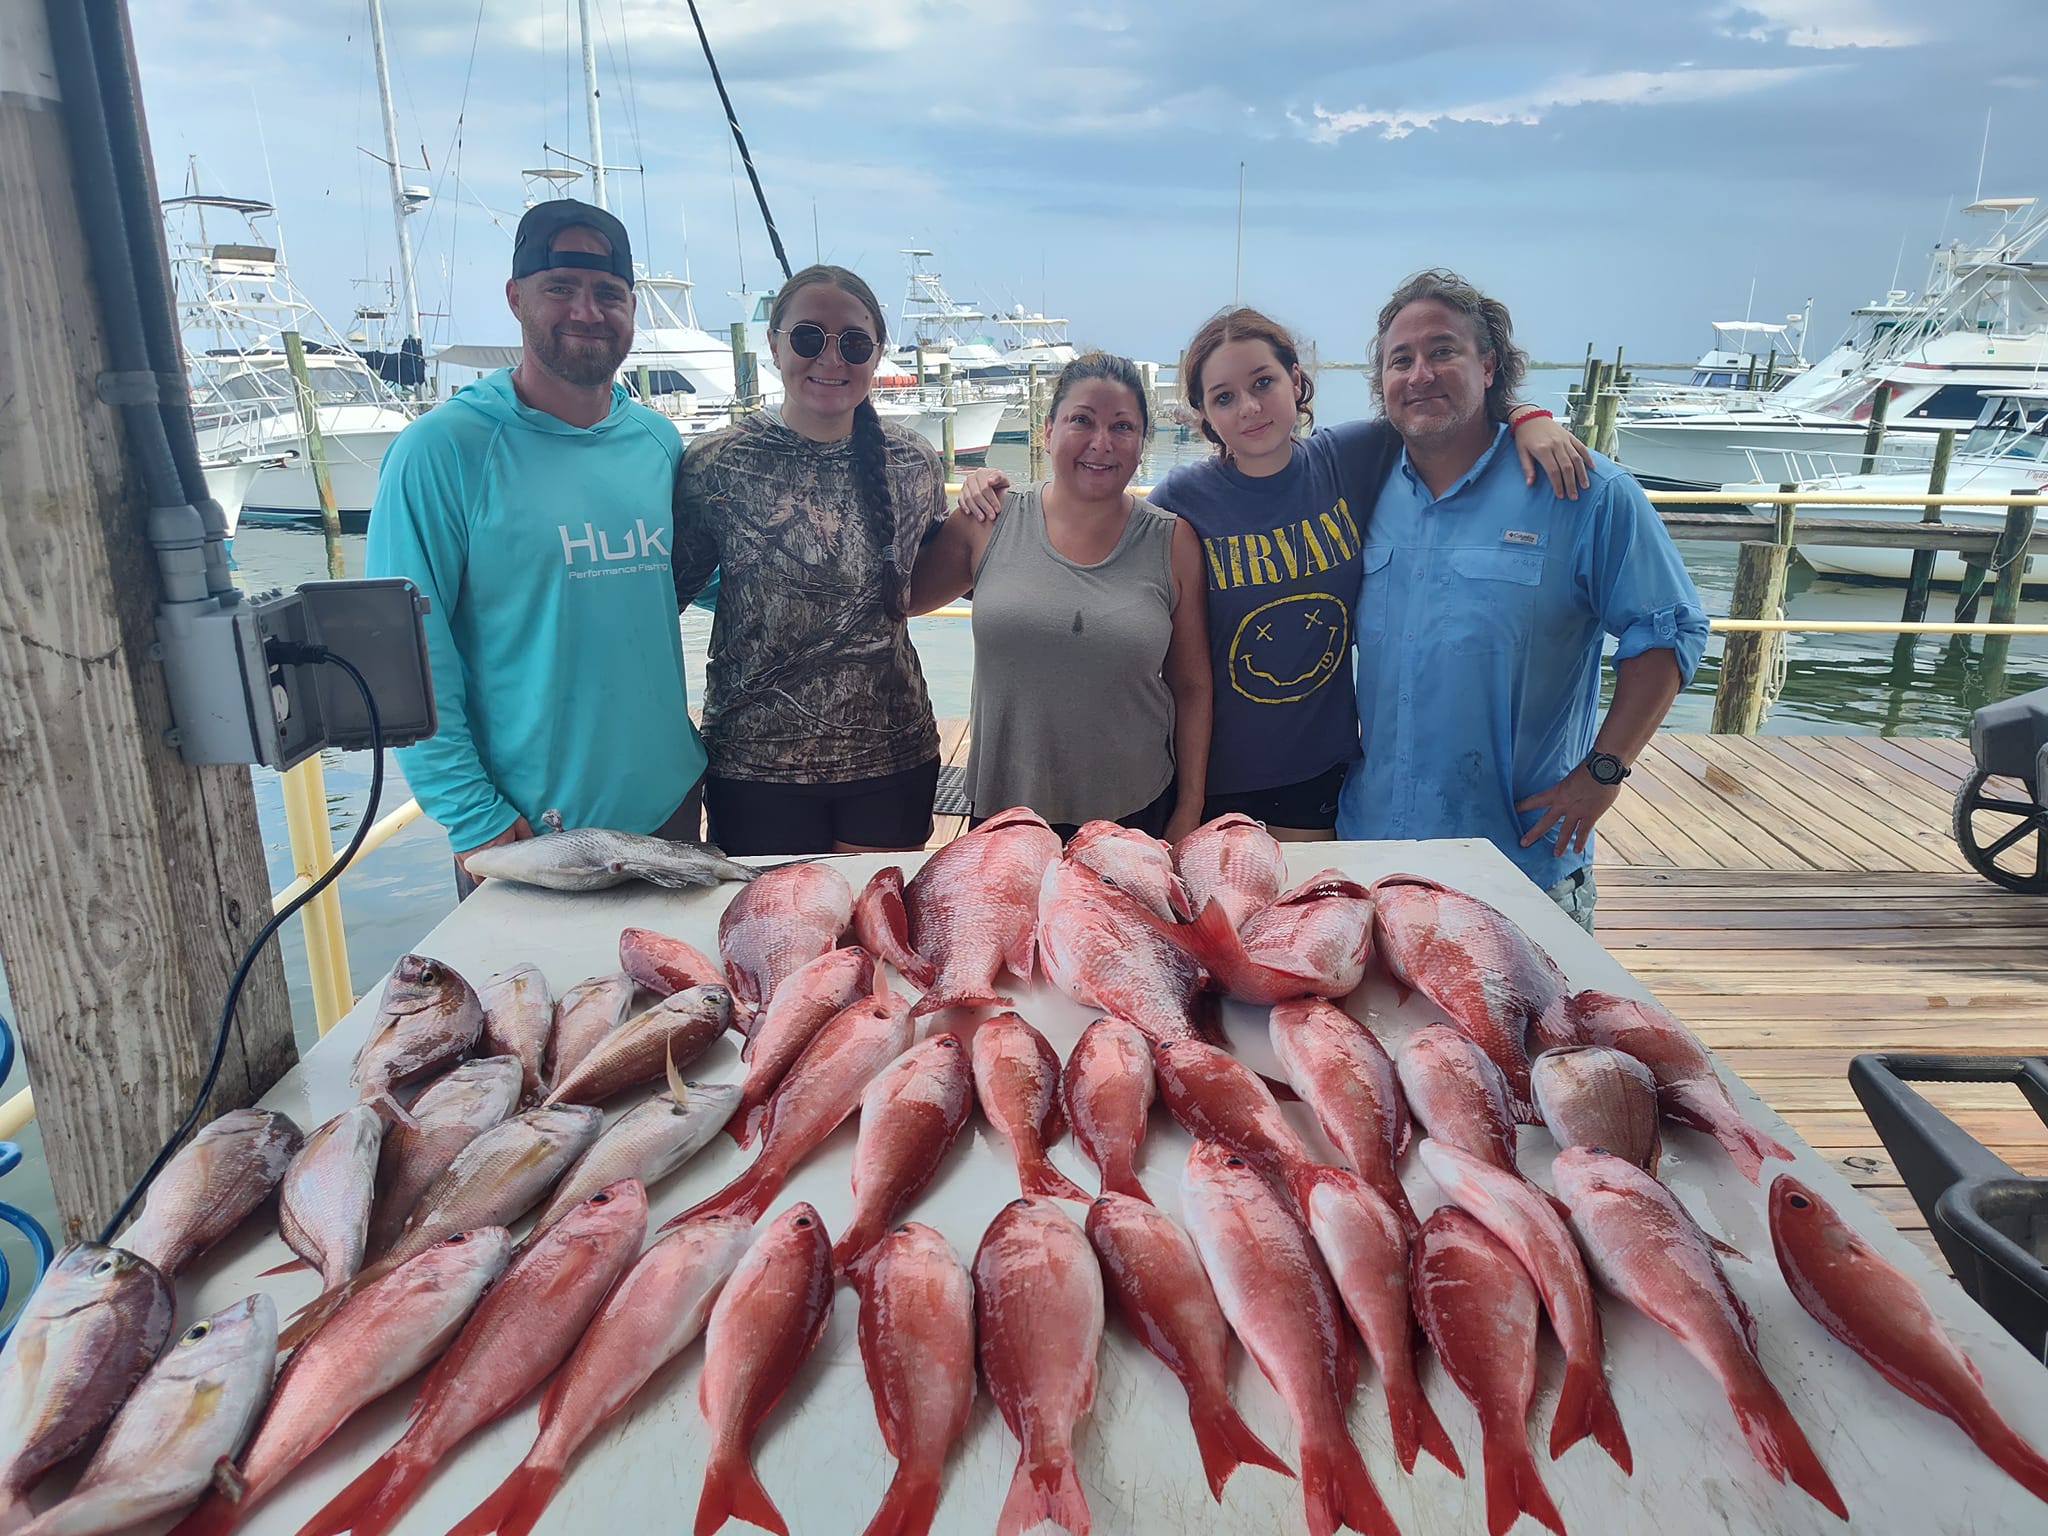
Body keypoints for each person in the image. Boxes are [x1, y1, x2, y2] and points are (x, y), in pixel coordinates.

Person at [957, 306, 1591, 841]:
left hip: (1318, 770)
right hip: (1210, 777)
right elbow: (1097, 552)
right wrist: (992, 492)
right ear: (1205, 413)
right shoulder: (1182, 497)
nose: (1249, 408)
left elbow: (1440, 412)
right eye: (1224, 397)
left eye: (1263, 383)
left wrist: (1527, 419)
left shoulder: (1352, 458)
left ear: (1296, 381)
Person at [1337, 269, 1709, 930]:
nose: (1419, 373)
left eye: (1443, 351)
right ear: (1382, 384)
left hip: (1520, 869)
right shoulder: (1360, 488)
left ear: (1489, 366)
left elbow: (1667, 629)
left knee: (1541, 1039)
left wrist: (1603, 772)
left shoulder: (1585, 489)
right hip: (1374, 857)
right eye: (1401, 360)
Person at [365, 199, 706, 897]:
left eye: (608, 294)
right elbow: (407, 651)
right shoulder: (441, 450)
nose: (587, 311)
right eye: (560, 288)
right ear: (516, 297)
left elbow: (714, 576)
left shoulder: (657, 441)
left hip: (669, 800)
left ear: (632, 309)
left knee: (681, 1002)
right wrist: (471, 816)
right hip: (528, 828)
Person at [671, 265, 947, 856]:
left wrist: (990, 506)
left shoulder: (916, 462)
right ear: (773, 344)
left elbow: (932, 576)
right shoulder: (714, 464)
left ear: (876, 354)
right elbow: (656, 604)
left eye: (853, 342)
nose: (830, 358)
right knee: (776, 945)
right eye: (807, 337)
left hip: (892, 757)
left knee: (878, 944)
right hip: (753, 767)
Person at [910, 352, 1212, 841]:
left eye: (1122, 426)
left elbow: (1193, 685)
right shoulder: (988, 519)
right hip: (1006, 816)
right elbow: (905, 599)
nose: (1101, 443)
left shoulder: (1172, 542)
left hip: (1133, 814)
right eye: (1081, 420)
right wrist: (932, 499)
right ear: (1047, 432)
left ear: (1141, 444)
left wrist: (1190, 806)